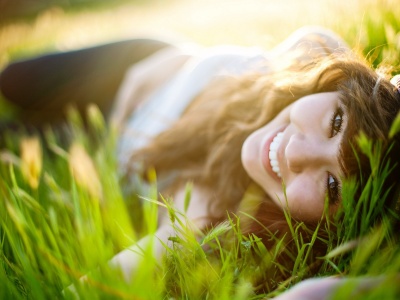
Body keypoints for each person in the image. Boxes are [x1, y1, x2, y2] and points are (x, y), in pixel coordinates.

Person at [1, 26, 399, 297]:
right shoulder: (316, 50)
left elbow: (83, 290)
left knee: (11, 136)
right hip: (136, 68)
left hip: (104, 139)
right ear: (339, 88)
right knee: (10, 78)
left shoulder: (211, 217)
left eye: (331, 185)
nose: (296, 153)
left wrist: (107, 145)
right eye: (335, 122)